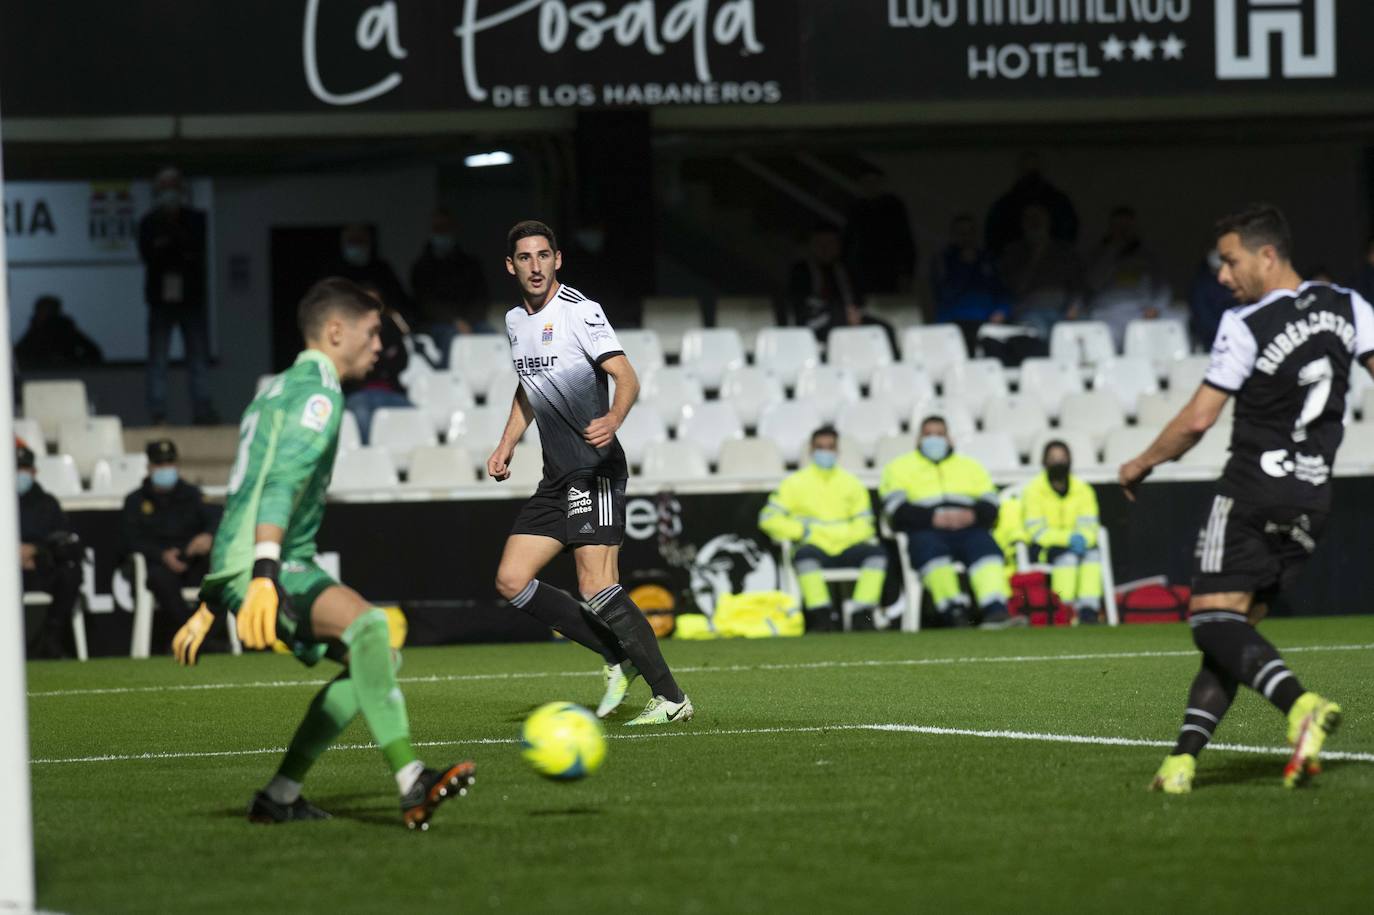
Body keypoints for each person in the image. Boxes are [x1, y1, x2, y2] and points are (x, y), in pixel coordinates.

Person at [170, 277, 473, 829]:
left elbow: (242, 494)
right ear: (336, 331)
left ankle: (280, 796)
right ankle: (411, 780)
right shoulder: (318, 393)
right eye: (372, 331)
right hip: (273, 565)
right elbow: (281, 483)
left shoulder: (273, 389)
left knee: (375, 657)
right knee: (371, 632)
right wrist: (261, 573)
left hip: (258, 563)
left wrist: (216, 594)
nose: (379, 346)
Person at [1119, 204, 1371, 794]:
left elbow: (1199, 420)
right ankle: (1182, 762)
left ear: (1267, 254)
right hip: (1313, 499)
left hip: (1253, 490)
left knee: (1209, 620)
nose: (1223, 277)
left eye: (1230, 262)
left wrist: (1141, 462)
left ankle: (1300, 703)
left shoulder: (1246, 323)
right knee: (1233, 632)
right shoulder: (1350, 306)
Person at [488, 220, 693, 726]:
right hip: (556, 475)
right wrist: (505, 444)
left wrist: (614, 418)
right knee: (512, 580)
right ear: (511, 266)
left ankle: (670, 697)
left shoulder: (581, 312)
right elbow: (528, 386)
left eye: (544, 256)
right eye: (525, 258)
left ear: (558, 260)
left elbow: (625, 374)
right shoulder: (516, 321)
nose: (535, 266)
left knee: (597, 586)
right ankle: (614, 652)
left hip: (595, 469)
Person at [879, 417, 1020, 629]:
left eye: (939, 434)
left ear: (949, 438)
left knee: (987, 550)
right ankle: (954, 612)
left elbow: (991, 503)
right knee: (931, 553)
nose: (934, 439)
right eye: (928, 434)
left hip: (968, 528)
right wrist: (932, 518)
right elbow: (894, 509)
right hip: (925, 529)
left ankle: (995, 610)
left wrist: (972, 515)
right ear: (918, 439)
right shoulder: (898, 468)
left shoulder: (971, 467)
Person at [759, 426, 888, 632]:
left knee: (877, 555)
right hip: (813, 544)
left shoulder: (851, 483)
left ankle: (861, 614)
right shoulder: (794, 483)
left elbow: (866, 524)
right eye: (820, 447)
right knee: (804, 557)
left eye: (830, 447)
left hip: (848, 545)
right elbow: (768, 518)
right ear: (811, 450)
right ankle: (821, 616)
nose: (825, 452)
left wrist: (843, 536)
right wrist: (803, 532)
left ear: (837, 451)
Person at [138, 166, 216, 425]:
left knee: (197, 359)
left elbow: (194, 249)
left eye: (173, 188)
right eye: (164, 189)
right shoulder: (149, 222)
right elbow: (150, 255)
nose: (169, 194)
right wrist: (174, 247)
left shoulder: (196, 219)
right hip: (161, 300)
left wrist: (171, 243)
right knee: (158, 359)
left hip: (191, 299)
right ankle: (157, 412)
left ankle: (202, 412)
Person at [121, 439, 217, 629]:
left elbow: (217, 517)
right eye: (160, 464)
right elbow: (129, 540)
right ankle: (192, 634)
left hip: (192, 562)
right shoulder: (135, 501)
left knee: (220, 575)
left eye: (170, 463)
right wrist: (161, 555)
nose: (166, 468)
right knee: (161, 579)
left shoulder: (192, 495)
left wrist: (208, 535)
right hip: (158, 565)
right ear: (149, 467)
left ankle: (211, 632)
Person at [1022, 440, 1102, 624]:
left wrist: (1084, 538)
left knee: (1093, 555)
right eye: (1053, 459)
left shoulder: (1083, 490)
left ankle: (1088, 609)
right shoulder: (1033, 490)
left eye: (1062, 458)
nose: (1058, 463)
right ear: (1044, 462)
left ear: (1070, 460)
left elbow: (1090, 524)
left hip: (1080, 543)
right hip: (1045, 547)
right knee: (1067, 558)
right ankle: (1064, 608)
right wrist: (1068, 538)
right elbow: (1036, 530)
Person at [17, 441, 83, 659]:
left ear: (33, 471)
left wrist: (36, 550)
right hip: (8, 571)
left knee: (70, 572)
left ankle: (51, 636)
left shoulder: (46, 503)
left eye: (23, 468)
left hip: (39, 567)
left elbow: (64, 539)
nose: (19, 474)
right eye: (14, 468)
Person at [787, 225, 896, 349]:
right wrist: (842, 314)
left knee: (882, 329)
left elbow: (857, 299)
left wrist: (854, 312)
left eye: (831, 243)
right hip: (815, 320)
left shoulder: (844, 269)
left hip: (850, 317)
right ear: (812, 245)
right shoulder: (802, 271)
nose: (825, 248)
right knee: (840, 323)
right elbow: (804, 303)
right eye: (820, 243)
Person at [1084, 206, 1171, 348]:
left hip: (1140, 313)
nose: (1123, 231)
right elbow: (1092, 283)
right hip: (1105, 313)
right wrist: (1112, 250)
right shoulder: (1098, 254)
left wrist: (1156, 307)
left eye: (1126, 226)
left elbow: (1162, 286)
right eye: (1118, 226)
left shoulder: (1147, 256)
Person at [410, 208, 492, 359]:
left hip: (472, 322)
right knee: (452, 337)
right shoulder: (422, 266)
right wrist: (455, 322)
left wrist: (469, 321)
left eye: (445, 228)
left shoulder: (470, 264)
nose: (442, 232)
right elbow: (425, 303)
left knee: (491, 336)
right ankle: (451, 381)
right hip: (438, 324)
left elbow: (481, 297)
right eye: (438, 228)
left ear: (453, 230)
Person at [999, 204, 1084, 338]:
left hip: (1063, 311)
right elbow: (1014, 288)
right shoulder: (1014, 251)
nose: (1035, 222)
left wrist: (1074, 307)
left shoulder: (1064, 251)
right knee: (1037, 331)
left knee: (1086, 330)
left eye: (1039, 218)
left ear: (1048, 221)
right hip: (1029, 311)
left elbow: (1078, 284)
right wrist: (1036, 256)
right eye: (1030, 219)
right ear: (1022, 223)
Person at [931, 213, 1012, 354]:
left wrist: (1002, 310)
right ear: (953, 235)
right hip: (954, 322)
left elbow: (1003, 291)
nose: (966, 237)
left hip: (988, 321)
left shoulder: (988, 259)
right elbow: (944, 293)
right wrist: (964, 267)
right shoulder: (943, 260)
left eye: (970, 232)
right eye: (961, 233)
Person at [343, 290, 412, 445]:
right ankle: (368, 459)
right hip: (360, 392)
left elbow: (401, 360)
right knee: (360, 412)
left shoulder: (391, 326)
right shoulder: (348, 330)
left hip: (392, 391)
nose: (377, 346)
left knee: (417, 417)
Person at [984, 151, 1079, 259]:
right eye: (1027, 170)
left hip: (1052, 262)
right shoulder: (1004, 206)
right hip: (1016, 262)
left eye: (1034, 170)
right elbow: (994, 239)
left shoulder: (1059, 202)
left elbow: (1069, 232)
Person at [843, 168, 917, 295]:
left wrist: (906, 272)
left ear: (881, 183)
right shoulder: (856, 208)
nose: (871, 186)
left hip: (890, 268)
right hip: (863, 269)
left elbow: (905, 239)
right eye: (866, 182)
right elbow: (848, 239)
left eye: (874, 182)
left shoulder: (893, 205)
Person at [15, 295, 103, 370]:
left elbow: (92, 352)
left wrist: (74, 364)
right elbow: (18, 355)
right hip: (40, 374)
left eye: (46, 310)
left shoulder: (65, 330)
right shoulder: (34, 332)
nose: (43, 313)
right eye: (41, 310)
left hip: (63, 374)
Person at [1188, 247, 1233, 350]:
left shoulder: (1236, 284)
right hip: (1211, 340)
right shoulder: (1202, 285)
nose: (1223, 276)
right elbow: (1203, 317)